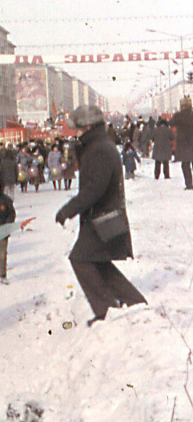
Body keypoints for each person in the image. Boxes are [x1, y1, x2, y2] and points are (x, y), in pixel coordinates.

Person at [56, 105, 147, 326]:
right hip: (102, 217)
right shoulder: (97, 145)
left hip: (102, 218)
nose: (74, 133)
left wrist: (69, 209)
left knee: (81, 259)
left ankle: (106, 310)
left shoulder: (99, 149)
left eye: (76, 128)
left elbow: (94, 189)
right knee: (98, 261)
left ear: (87, 127)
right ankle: (134, 301)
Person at [169, 96, 193, 190]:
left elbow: (170, 123)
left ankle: (189, 184)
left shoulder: (178, 115)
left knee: (185, 165)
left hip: (184, 144)